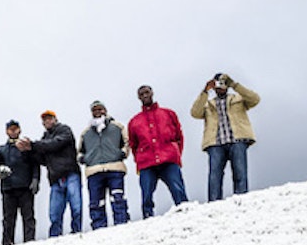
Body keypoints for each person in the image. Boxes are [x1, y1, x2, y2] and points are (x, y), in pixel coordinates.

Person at [190, 73, 261, 201]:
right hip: (215, 143)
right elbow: (195, 113)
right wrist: (205, 91)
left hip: (237, 139)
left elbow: (255, 99)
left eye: (223, 83)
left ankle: (241, 200)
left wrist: (234, 84)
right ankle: (214, 202)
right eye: (217, 84)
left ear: (227, 85)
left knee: (240, 172)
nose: (220, 87)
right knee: (214, 176)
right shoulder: (208, 104)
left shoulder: (238, 98)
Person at [128, 85, 189, 218]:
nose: (145, 95)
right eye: (141, 94)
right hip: (147, 163)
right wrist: (139, 159)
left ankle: (186, 214)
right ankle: (148, 218)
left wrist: (176, 154)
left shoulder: (169, 114)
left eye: (147, 92)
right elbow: (133, 144)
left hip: (168, 159)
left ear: (152, 93)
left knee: (178, 189)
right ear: (138, 97)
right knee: (146, 195)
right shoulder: (134, 122)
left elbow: (179, 136)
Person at [21, 110, 82, 237]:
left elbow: (55, 144)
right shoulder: (44, 139)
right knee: (54, 213)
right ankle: (54, 238)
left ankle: (77, 233)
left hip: (70, 174)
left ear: (55, 119)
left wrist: (33, 145)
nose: (47, 121)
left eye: (49, 118)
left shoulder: (65, 130)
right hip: (55, 179)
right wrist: (26, 151)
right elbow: (41, 159)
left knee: (76, 207)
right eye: (44, 120)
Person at [78, 100, 131, 229]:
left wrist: (122, 153)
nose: (97, 112)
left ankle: (122, 224)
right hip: (94, 171)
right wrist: (83, 159)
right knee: (96, 202)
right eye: (94, 110)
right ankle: (99, 228)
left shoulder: (117, 127)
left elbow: (127, 142)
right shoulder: (86, 132)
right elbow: (80, 150)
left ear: (105, 110)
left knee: (117, 197)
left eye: (100, 109)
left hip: (115, 168)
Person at [0, 119, 41, 245]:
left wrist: (35, 180)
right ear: (6, 131)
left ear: (19, 130)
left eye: (15, 128)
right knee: (8, 219)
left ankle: (30, 242)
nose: (13, 131)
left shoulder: (26, 147)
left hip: (25, 187)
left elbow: (35, 164)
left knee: (28, 217)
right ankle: (7, 244)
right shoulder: (1, 150)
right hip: (8, 189)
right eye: (10, 129)